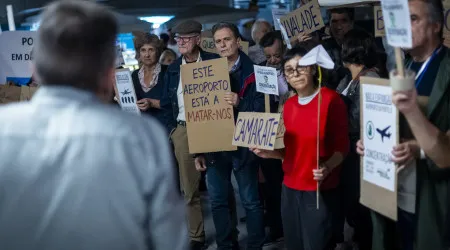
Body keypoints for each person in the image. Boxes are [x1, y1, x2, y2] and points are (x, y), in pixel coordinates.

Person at [0, 1, 187, 250]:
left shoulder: (5, 129)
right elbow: (170, 240)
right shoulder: (142, 137)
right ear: (109, 72)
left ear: (35, 69)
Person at [356, 0, 448, 249]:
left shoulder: (446, 69)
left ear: (436, 25)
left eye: (413, 19)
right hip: (396, 194)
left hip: (434, 202)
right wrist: (372, 142)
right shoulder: (403, 68)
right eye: (400, 19)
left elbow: (446, 154)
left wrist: (416, 145)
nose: (403, 27)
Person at [251, 45, 349, 250]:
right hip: (290, 187)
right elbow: (290, 152)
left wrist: (328, 167)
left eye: (301, 67)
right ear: (285, 76)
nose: (295, 74)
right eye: (289, 70)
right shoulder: (289, 105)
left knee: (317, 244)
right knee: (294, 244)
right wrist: (271, 153)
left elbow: (343, 147)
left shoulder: (331, 100)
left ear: (313, 69)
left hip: (319, 189)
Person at [194, 22, 265, 250]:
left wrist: (239, 102)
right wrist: (199, 150)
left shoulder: (255, 71)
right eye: (218, 41)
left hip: (245, 144)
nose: (223, 45)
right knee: (217, 200)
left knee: (250, 201)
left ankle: (255, 244)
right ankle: (226, 245)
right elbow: (198, 113)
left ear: (237, 41)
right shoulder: (205, 71)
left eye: (226, 40)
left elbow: (263, 109)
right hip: (215, 144)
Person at [160, 19, 218, 250]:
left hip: (212, 125)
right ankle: (197, 236)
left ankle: (227, 233)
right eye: (177, 39)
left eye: (185, 38)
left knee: (218, 186)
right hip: (183, 129)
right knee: (189, 190)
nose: (180, 42)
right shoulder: (173, 69)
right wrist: (174, 131)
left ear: (197, 39)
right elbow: (166, 103)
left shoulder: (214, 62)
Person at [335, 28, 381, 249]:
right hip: (348, 148)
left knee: (360, 204)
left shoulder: (370, 78)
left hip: (361, 149)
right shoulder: (348, 79)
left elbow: (366, 118)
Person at [257, 30, 287, 244]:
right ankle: (276, 226)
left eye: (277, 55)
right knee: (272, 185)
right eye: (269, 56)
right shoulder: (261, 71)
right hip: (268, 131)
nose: (273, 60)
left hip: (289, 130)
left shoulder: (293, 68)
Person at [130, 32, 167, 127]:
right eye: (143, 50)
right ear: (139, 53)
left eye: (151, 50)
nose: (147, 55)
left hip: (165, 127)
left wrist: (152, 103)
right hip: (142, 128)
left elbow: (175, 103)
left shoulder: (168, 72)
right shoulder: (134, 75)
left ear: (158, 52)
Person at [322, 8, 354, 90]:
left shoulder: (362, 45)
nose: (339, 26)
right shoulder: (323, 49)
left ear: (351, 23)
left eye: (344, 21)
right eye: (334, 21)